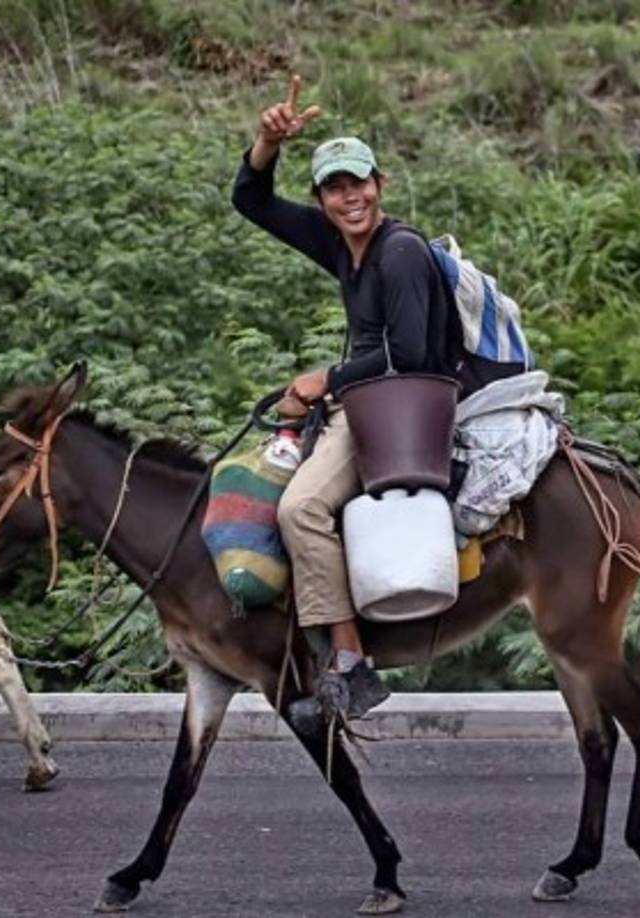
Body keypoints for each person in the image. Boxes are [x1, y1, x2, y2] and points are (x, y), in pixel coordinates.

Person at [231, 75, 458, 720]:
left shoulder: (402, 253)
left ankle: (351, 662)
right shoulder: (340, 244)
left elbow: (411, 354)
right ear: (322, 199)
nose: (349, 197)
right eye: (335, 187)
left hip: (397, 410)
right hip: (364, 400)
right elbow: (251, 201)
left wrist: (324, 381)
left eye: (358, 183)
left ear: (379, 184)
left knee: (299, 507)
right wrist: (265, 142)